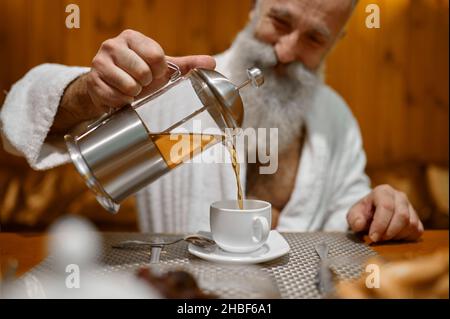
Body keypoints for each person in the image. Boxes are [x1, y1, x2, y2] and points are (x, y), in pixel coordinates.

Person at [0, 0, 423, 242]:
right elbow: (18, 126)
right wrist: (89, 92)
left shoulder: (336, 119)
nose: (286, 52)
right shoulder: (177, 90)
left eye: (315, 38)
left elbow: (347, 218)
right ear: (255, 8)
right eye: (280, 20)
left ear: (334, 43)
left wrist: (376, 210)